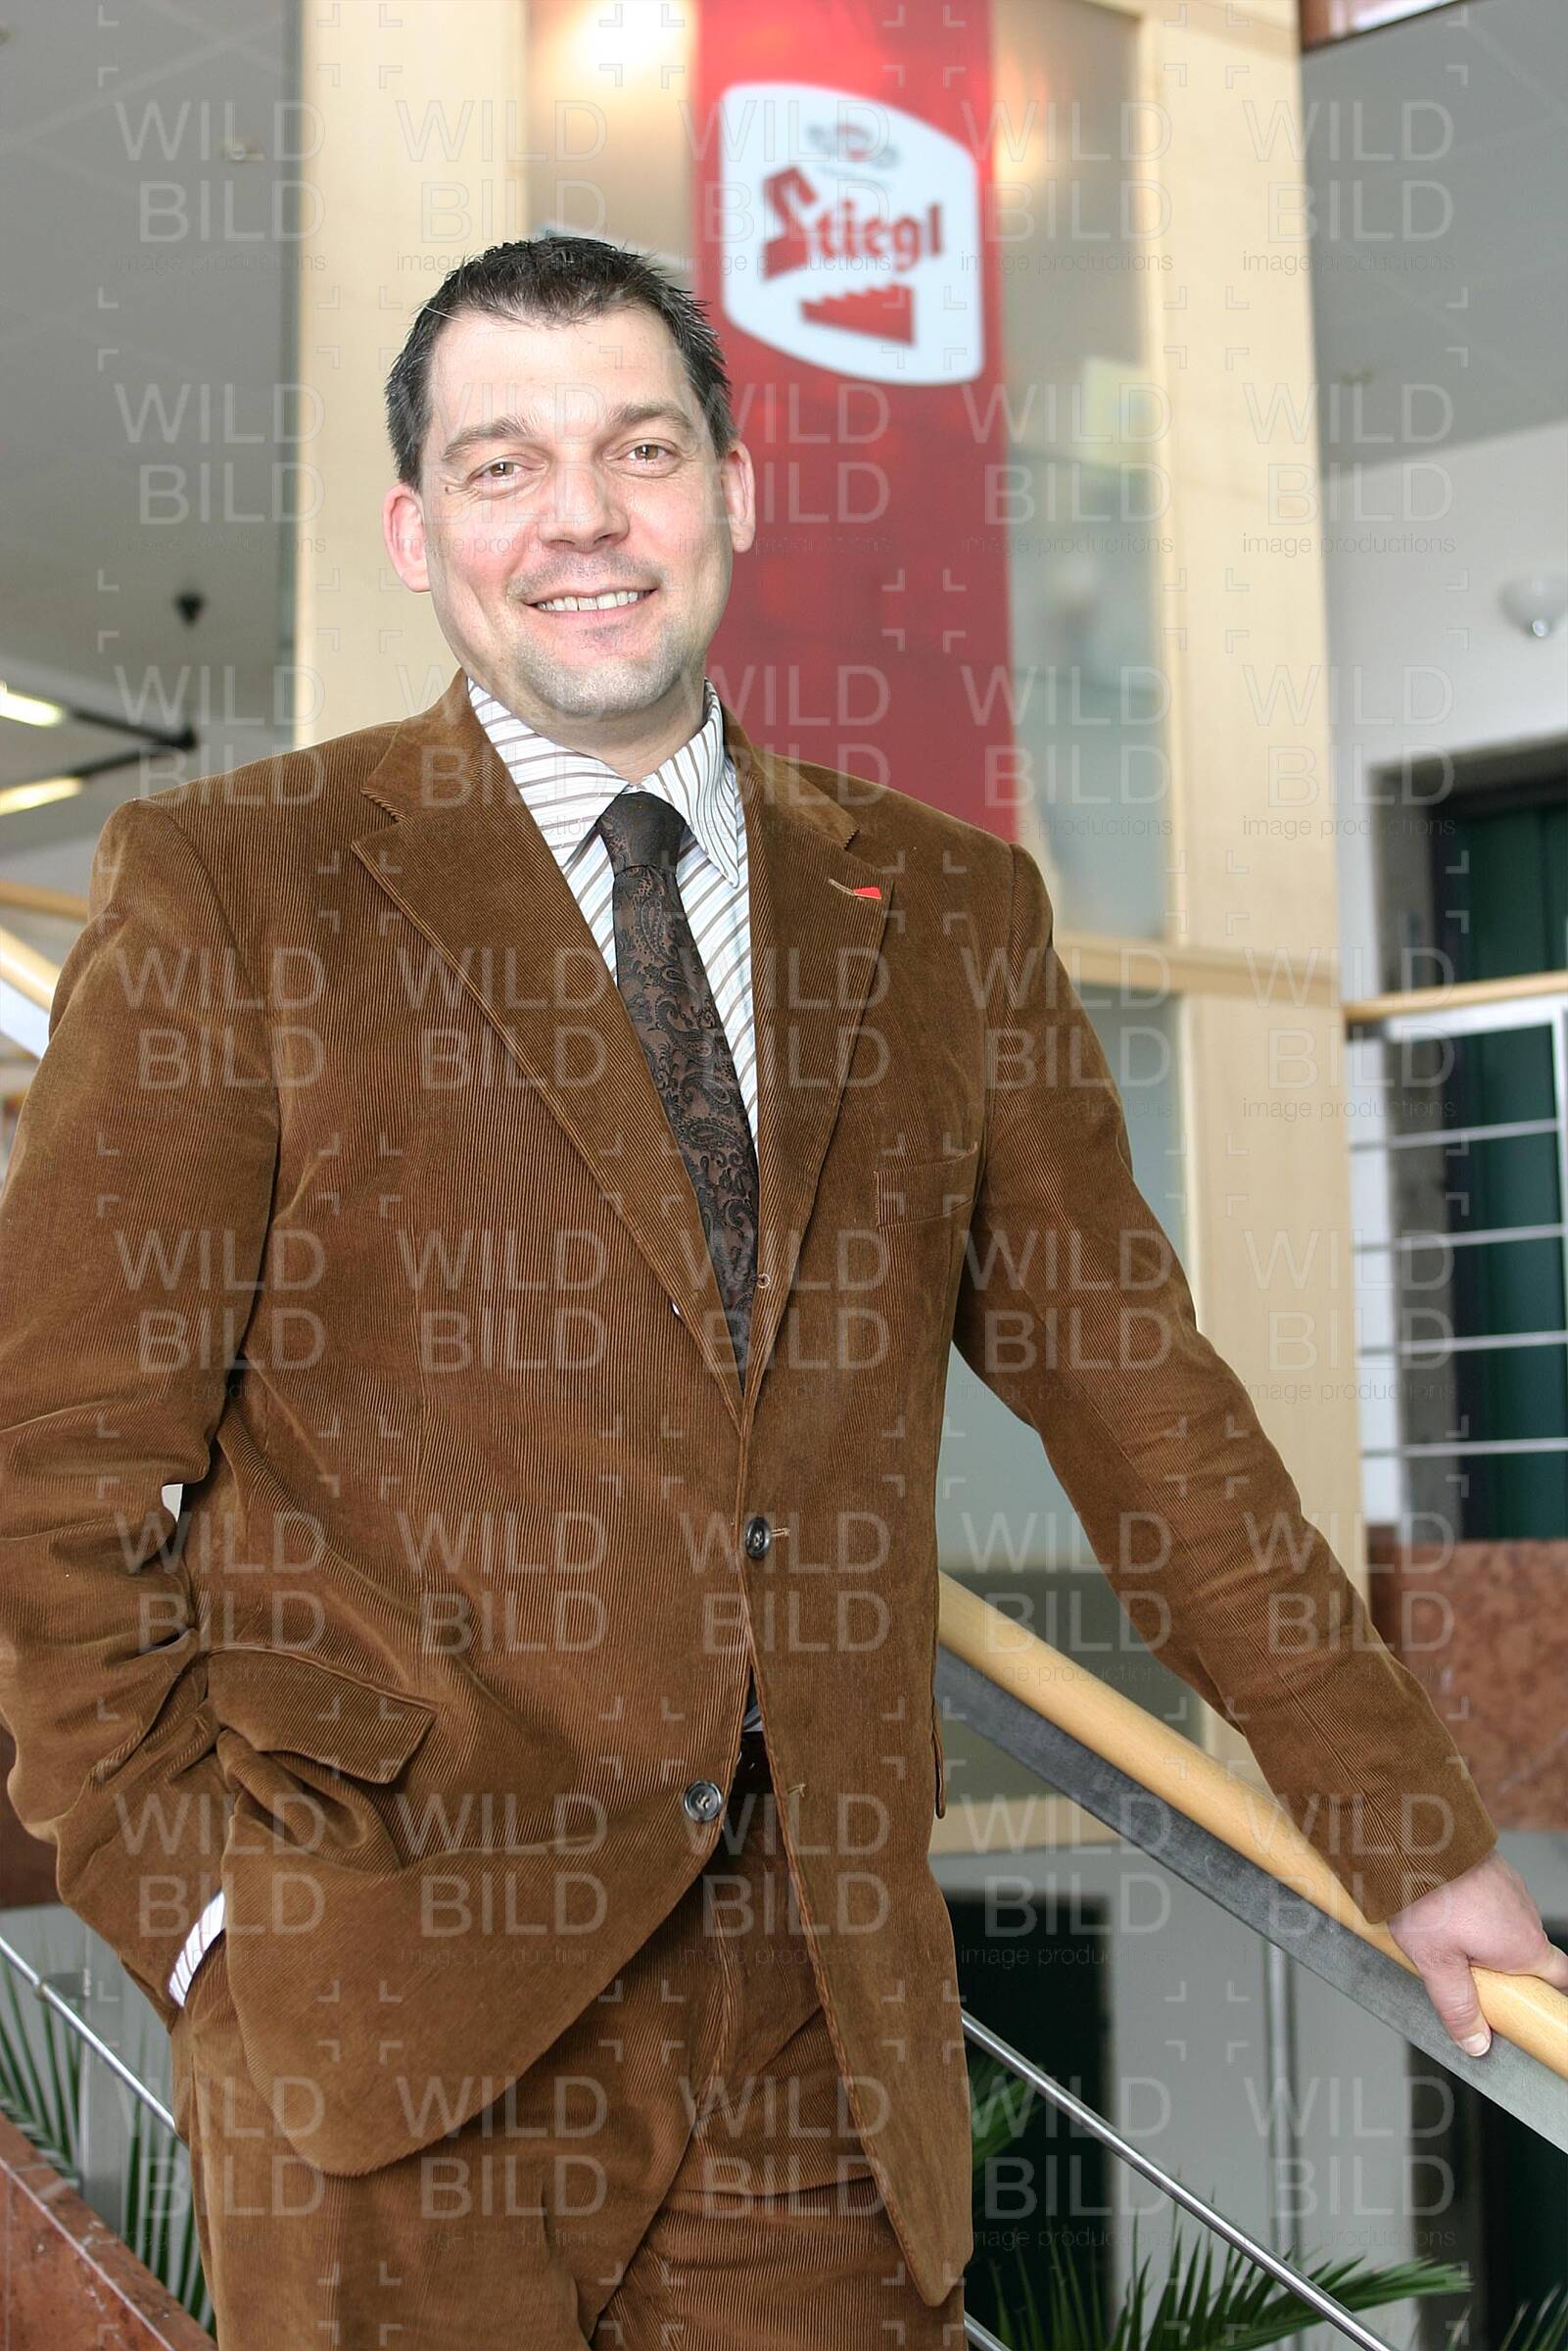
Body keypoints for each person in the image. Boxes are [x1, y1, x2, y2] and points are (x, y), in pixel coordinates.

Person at [0, 233, 1559, 2349]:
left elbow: (1141, 1400)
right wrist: (193, 1913)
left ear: (732, 490)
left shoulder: (950, 911)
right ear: (417, 530)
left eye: (639, 450)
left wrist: (1407, 1832)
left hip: (817, 2015)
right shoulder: (235, 885)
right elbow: (57, 1464)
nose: (580, 517)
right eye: (501, 464)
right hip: (385, 1996)